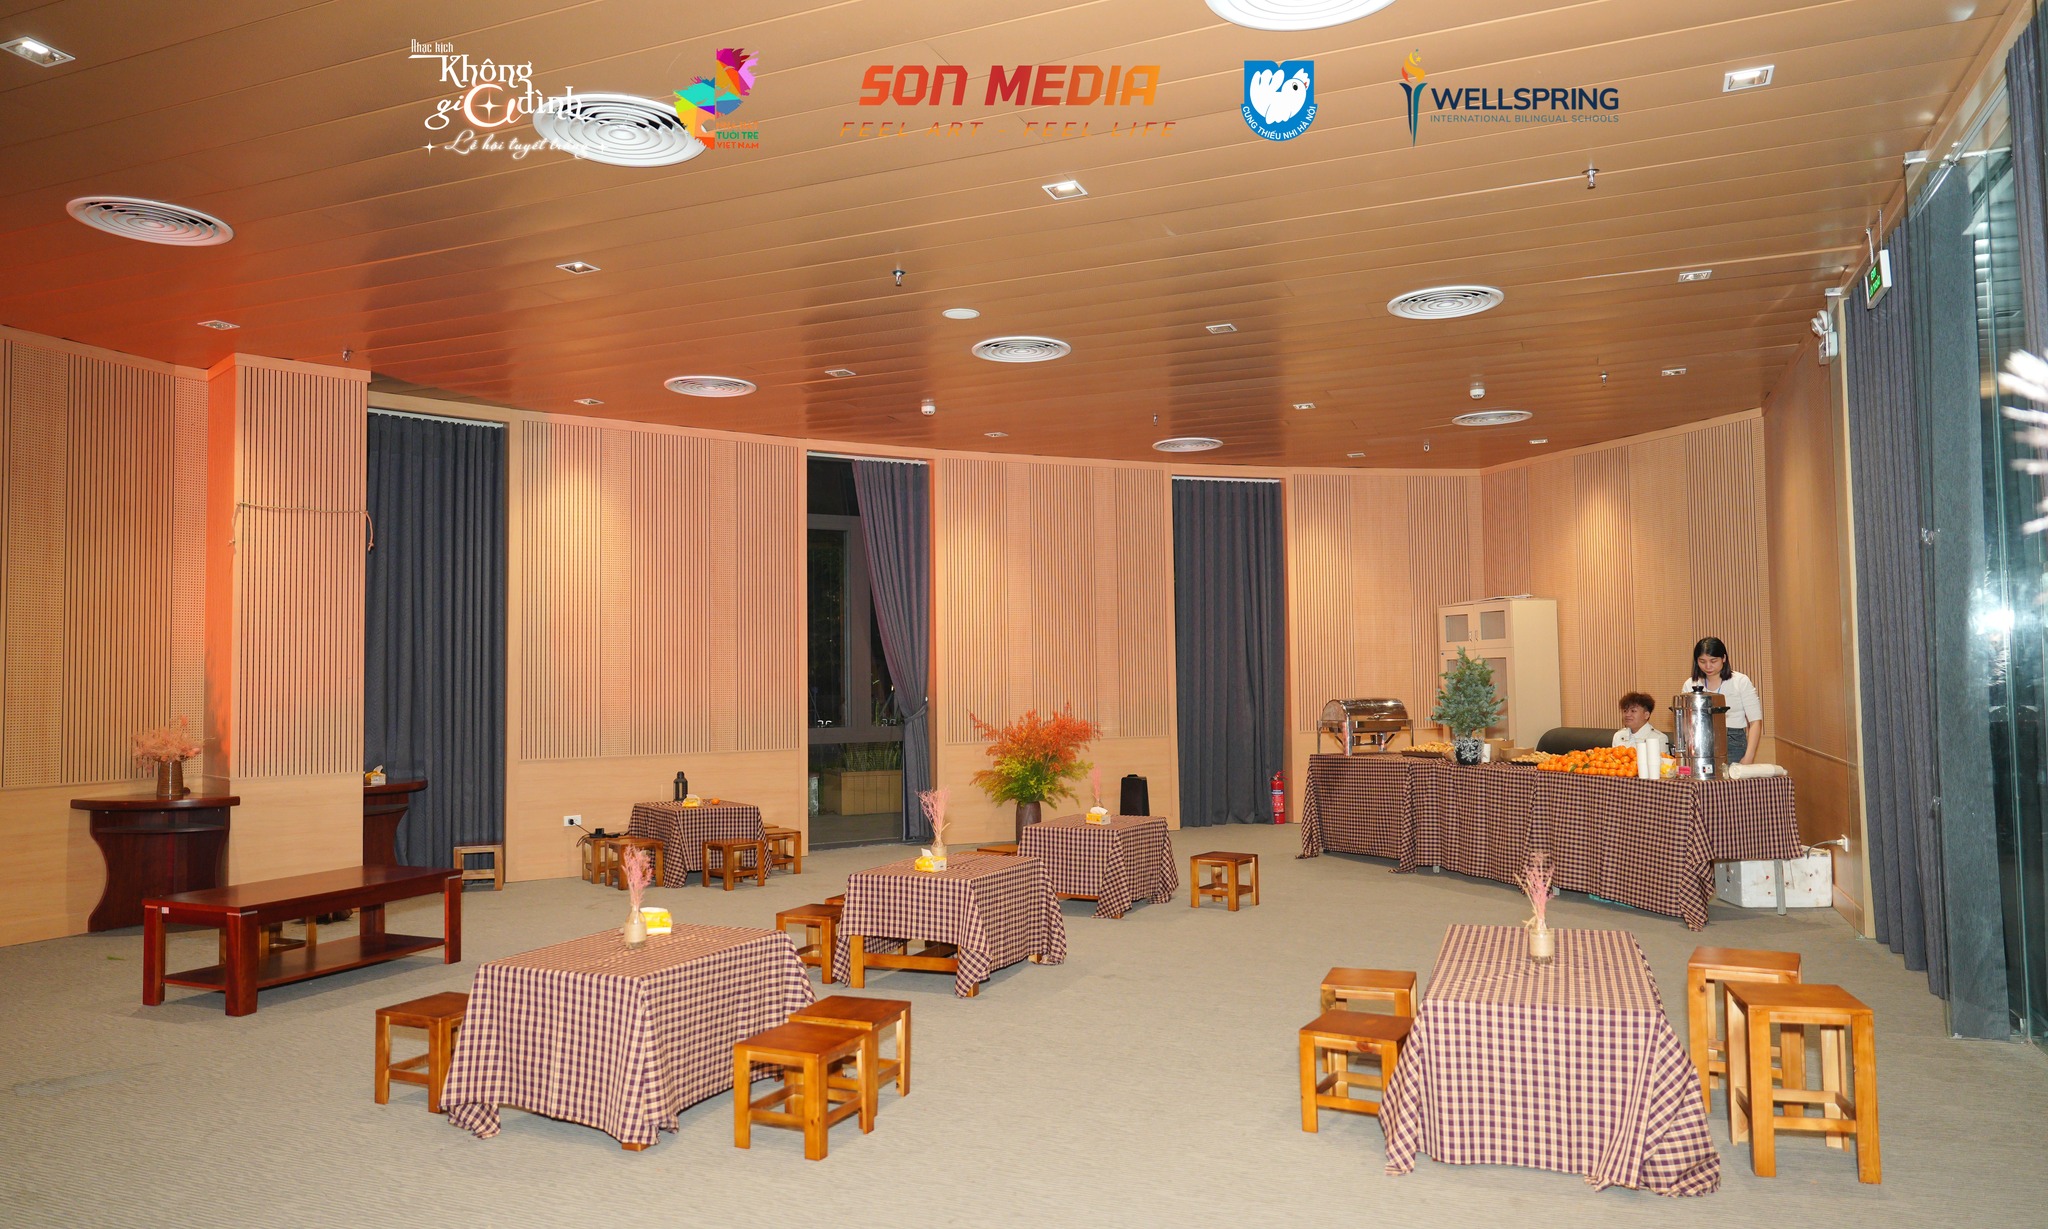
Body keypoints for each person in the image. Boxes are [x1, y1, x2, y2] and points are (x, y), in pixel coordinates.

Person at [1680, 636, 1762, 765]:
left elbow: (1755, 721)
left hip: (1733, 740)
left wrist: (1749, 757)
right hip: (1699, 741)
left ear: (1723, 658)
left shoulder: (1740, 681)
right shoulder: (1691, 684)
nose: (1708, 666)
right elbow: (1685, 723)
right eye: (1702, 661)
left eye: (1713, 661)